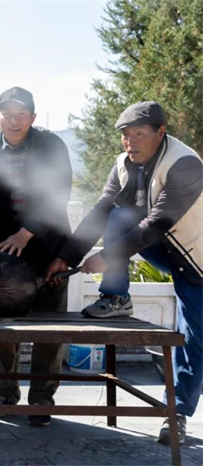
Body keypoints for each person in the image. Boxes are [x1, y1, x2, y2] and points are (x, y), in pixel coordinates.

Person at [46, 101, 202, 444]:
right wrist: (67, 257)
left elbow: (156, 223)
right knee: (117, 214)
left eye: (139, 134)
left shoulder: (185, 164)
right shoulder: (123, 164)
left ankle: (175, 413)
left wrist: (108, 256)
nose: (130, 142)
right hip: (164, 248)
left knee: (193, 338)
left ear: (160, 133)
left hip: (196, 261)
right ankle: (116, 296)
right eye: (125, 135)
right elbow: (102, 210)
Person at [0, 86, 73, 426]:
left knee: (49, 326)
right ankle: (5, 392)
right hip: (3, 252)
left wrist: (27, 232)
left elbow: (59, 193)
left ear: (33, 117)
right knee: (2, 326)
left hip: (48, 247)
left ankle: (42, 398)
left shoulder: (51, 145)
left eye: (21, 115)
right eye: (8, 114)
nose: (14, 122)